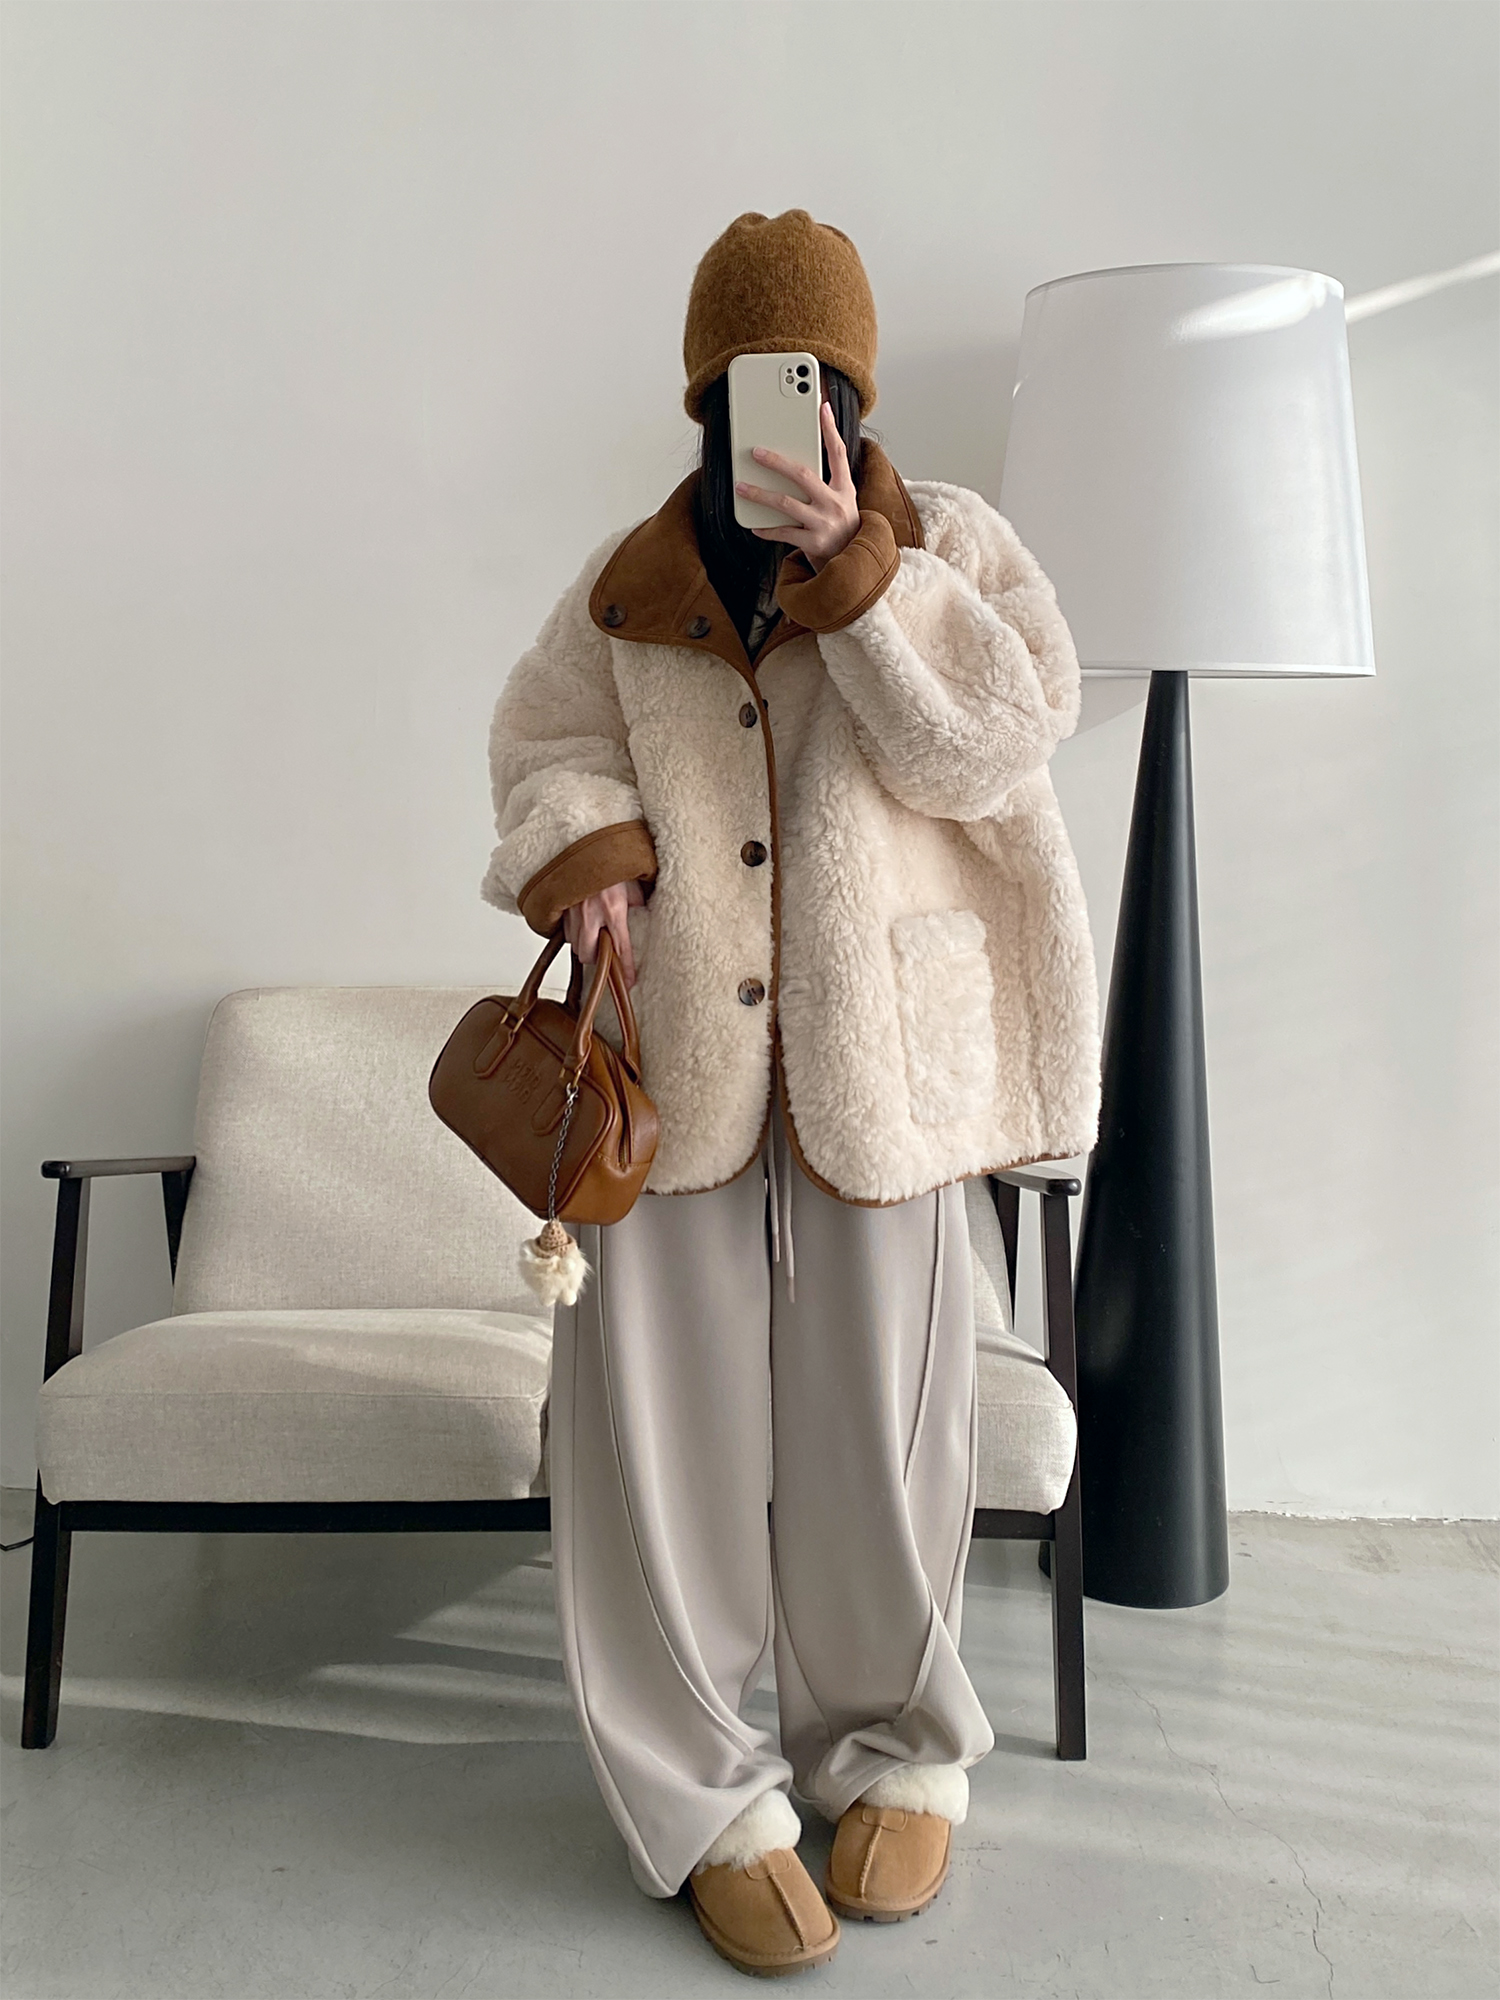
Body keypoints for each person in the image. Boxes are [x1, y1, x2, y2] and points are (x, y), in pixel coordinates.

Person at [481, 208, 1101, 1977]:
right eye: (759, 381)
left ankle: (897, 1750)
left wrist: (868, 583)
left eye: (821, 380)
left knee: (888, 1432)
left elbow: (1004, 740)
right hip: (674, 1056)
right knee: (653, 1440)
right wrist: (588, 852)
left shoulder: (952, 544)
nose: (794, 408)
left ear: (858, 392)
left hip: (884, 1057)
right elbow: (542, 740)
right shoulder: (631, 579)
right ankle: (702, 1797)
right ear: (708, 397)